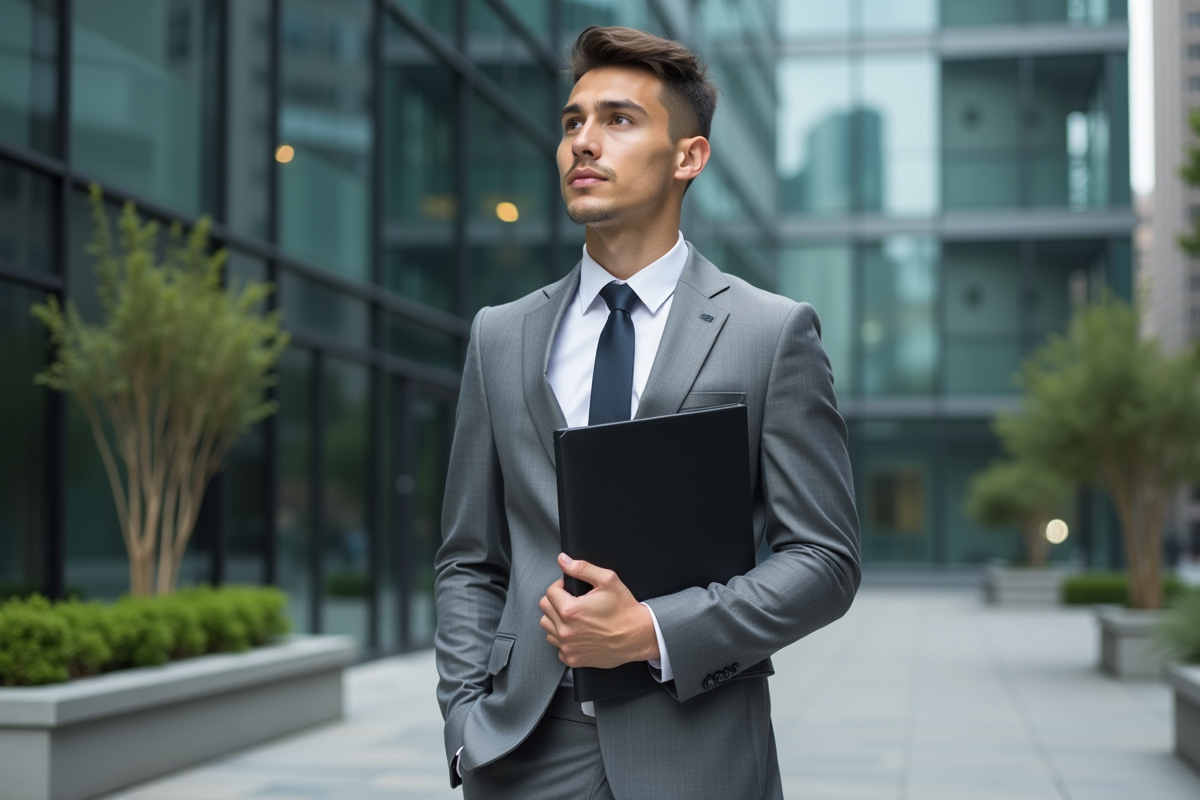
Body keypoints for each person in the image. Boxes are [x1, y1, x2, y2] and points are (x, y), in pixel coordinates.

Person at [434, 25, 860, 800]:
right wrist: (465, 728)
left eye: (619, 120)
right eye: (573, 121)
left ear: (688, 157)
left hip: (698, 749)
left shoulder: (770, 333)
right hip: (522, 751)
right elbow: (470, 559)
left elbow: (825, 561)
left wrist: (655, 632)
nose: (583, 141)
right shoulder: (499, 335)